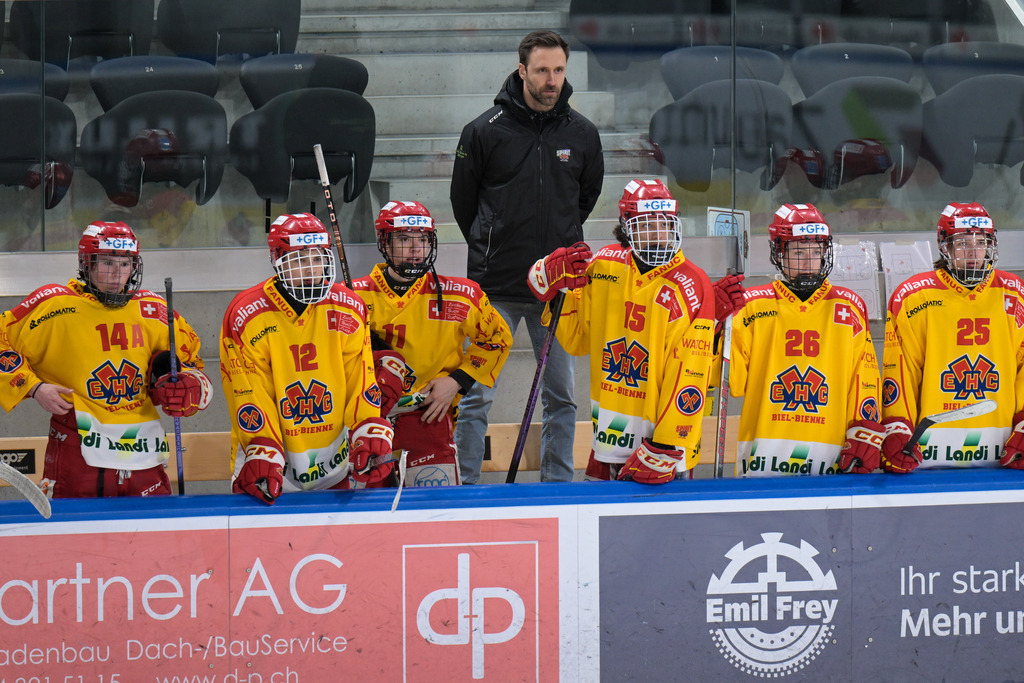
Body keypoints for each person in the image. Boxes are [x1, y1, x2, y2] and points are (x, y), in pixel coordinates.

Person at [450, 29, 604, 483]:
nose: (551, 79)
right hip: (493, 286)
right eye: (542, 70)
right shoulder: (482, 131)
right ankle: (465, 488)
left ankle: (557, 492)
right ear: (522, 71)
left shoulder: (583, 134)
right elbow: (464, 204)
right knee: (476, 393)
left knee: (563, 397)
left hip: (556, 291)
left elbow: (585, 198)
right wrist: (492, 242)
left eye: (558, 69)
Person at [0, 220, 213, 498]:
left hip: (143, 454)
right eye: (107, 263)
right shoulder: (54, 305)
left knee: (152, 538)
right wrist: (34, 387)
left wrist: (188, 389)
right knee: (71, 539)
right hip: (77, 451)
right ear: (86, 264)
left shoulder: (154, 310)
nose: (117, 274)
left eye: (125, 264)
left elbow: (193, 367)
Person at [528, 179, 714, 483]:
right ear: (626, 226)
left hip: (662, 452)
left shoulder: (692, 283)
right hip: (608, 441)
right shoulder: (603, 266)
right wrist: (554, 291)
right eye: (646, 225)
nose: (657, 233)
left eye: (664, 224)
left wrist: (665, 445)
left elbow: (691, 372)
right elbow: (577, 339)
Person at [220, 213, 394, 504]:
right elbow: (249, 393)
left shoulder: (348, 307)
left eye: (317, 259)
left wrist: (368, 428)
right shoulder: (247, 315)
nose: (312, 270)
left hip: (333, 465)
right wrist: (262, 449)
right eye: (300, 261)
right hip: (269, 464)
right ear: (277, 260)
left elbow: (359, 378)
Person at [712, 203, 883, 477]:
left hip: (831, 456)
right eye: (799, 252)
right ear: (779, 253)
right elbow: (728, 380)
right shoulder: (751, 306)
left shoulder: (848, 307)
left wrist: (865, 433)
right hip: (763, 457)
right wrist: (714, 326)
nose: (809, 262)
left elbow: (864, 382)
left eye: (816, 252)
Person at [352, 201, 513, 487]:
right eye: (404, 239)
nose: (415, 248)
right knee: (367, 517)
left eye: (423, 239)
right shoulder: (352, 297)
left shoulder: (462, 295)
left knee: (434, 517)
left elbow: (497, 339)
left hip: (428, 418)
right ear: (384, 243)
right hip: (366, 421)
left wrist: (457, 381)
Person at [880, 202, 1024, 473]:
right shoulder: (913, 297)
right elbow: (900, 372)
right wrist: (897, 428)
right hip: (928, 451)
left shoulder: (1015, 292)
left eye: (981, 242)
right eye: (962, 243)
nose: (973, 252)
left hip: (1004, 448)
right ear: (945, 246)